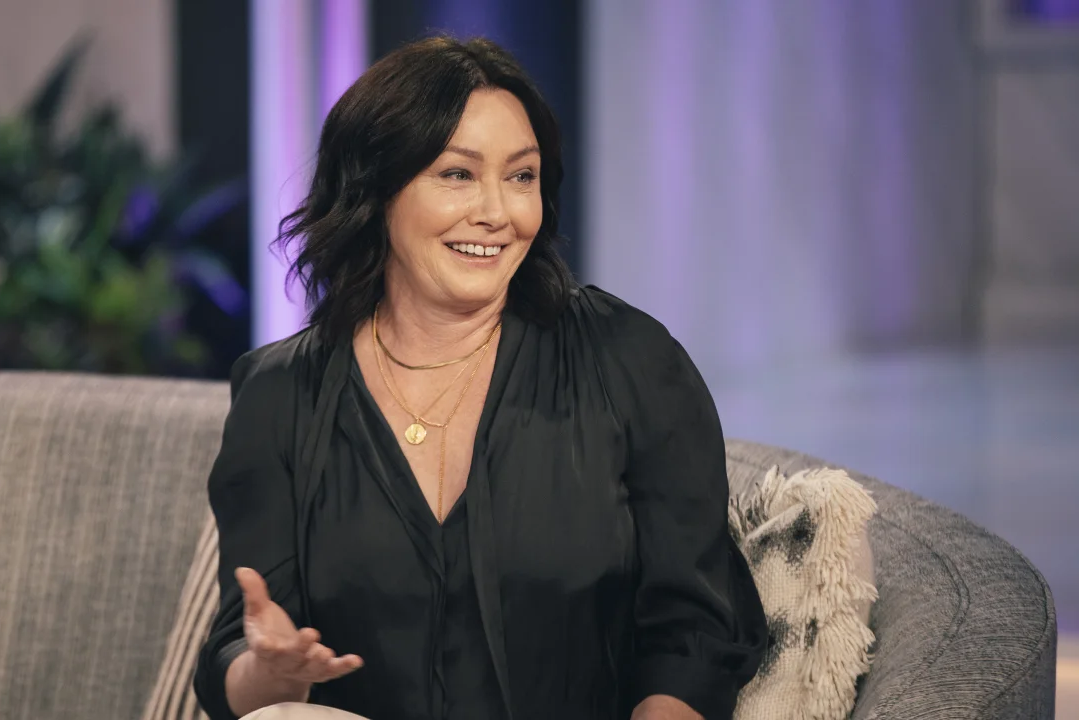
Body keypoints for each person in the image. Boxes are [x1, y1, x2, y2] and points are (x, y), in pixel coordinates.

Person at [193, 36, 767, 720]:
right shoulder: (280, 395)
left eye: (521, 177)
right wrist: (270, 671)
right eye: (458, 174)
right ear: (375, 190)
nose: (497, 212)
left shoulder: (630, 361)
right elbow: (235, 660)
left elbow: (695, 631)